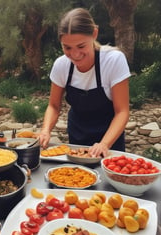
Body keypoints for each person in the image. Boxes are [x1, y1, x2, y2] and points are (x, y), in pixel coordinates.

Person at [39, 8, 130, 158]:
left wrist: (104, 144)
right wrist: (45, 130)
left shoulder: (113, 60)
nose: (75, 55)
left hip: (110, 139)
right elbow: (54, 106)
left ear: (94, 34)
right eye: (67, 47)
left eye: (81, 46)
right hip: (77, 136)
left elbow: (122, 111)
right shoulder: (61, 65)